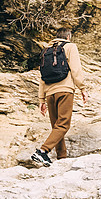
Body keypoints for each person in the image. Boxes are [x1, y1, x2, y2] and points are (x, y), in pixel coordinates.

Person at [31, 28, 87, 166]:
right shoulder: (70, 46)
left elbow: (42, 76)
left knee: (56, 126)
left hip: (50, 93)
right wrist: (83, 88)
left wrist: (41, 100)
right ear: (68, 37)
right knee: (63, 124)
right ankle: (43, 152)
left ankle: (62, 158)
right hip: (65, 91)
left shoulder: (47, 51)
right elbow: (75, 69)